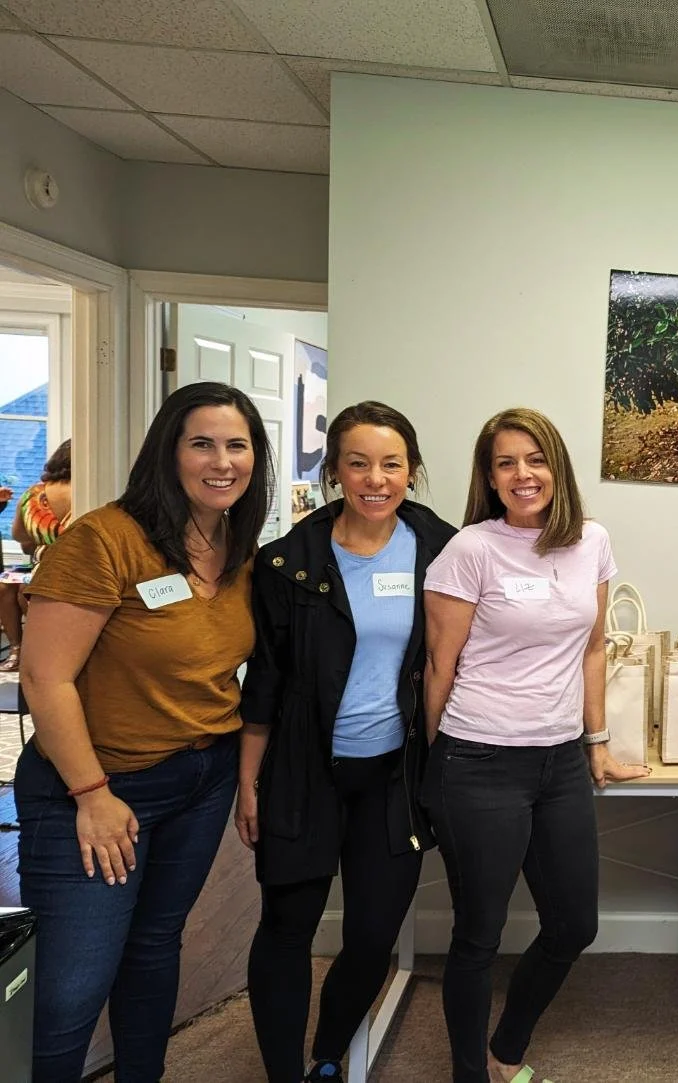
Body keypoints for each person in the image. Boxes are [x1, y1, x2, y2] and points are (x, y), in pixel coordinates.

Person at [15, 383, 271, 1081]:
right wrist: (92, 793)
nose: (222, 461)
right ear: (168, 451)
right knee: (74, 982)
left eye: (237, 445)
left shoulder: (241, 550)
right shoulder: (106, 539)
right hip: (93, 785)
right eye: (202, 443)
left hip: (200, 776)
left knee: (156, 946)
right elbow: (44, 678)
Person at [422, 407, 650, 1083]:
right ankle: (472, 1075)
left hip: (558, 763)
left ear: (557, 466)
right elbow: (440, 666)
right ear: (489, 477)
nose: (523, 474)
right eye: (505, 462)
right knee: (478, 936)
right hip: (480, 758)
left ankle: (504, 1049)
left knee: (574, 924)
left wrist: (597, 743)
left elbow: (595, 646)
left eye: (535, 458)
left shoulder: (592, 541)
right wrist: (434, 763)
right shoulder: (471, 549)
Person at [237, 402, 457, 1082]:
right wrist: (249, 781)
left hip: (392, 777)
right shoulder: (287, 562)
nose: (374, 478)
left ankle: (329, 1049)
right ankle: (283, 1072)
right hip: (303, 771)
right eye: (357, 462)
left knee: (370, 935)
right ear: (333, 470)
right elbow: (265, 682)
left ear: (412, 472)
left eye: (391, 463)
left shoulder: (440, 546)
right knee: (287, 926)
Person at [1, 439, 73, 672]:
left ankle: (16, 649)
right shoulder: (89, 489)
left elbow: (20, 538)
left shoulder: (34, 494)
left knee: (6, 587)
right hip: (71, 569)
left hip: (40, 565)